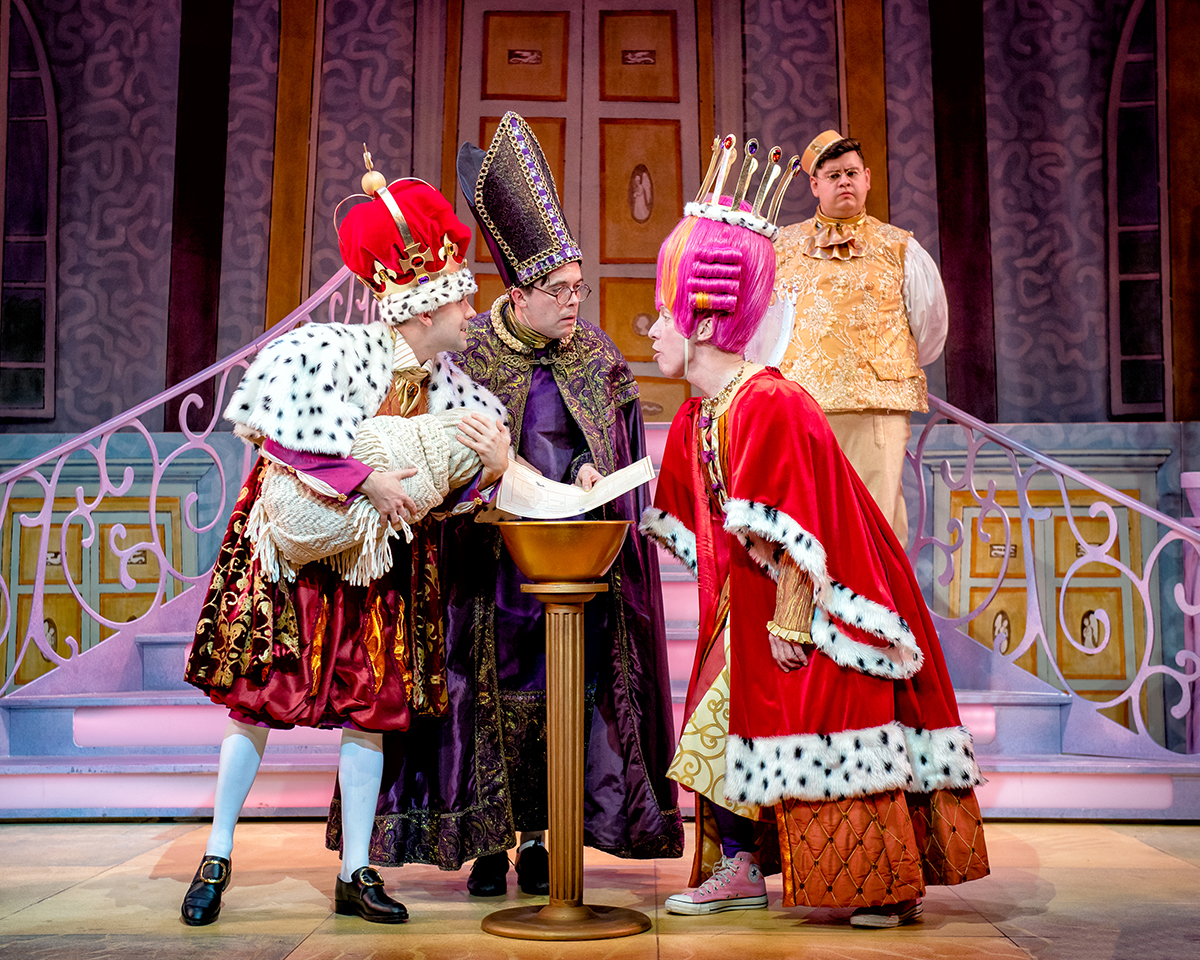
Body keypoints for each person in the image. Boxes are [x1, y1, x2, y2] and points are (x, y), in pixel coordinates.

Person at [639, 145, 989, 927]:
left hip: (825, 606)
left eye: (665, 313)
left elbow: (803, 523)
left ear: (700, 318)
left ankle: (882, 883)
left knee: (836, 734)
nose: (654, 330)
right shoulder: (710, 409)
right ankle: (738, 866)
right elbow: (717, 520)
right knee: (713, 728)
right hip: (754, 603)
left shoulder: (767, 402)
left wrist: (793, 616)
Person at [349, 111, 683, 895]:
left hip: (571, 564)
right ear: (521, 292)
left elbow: (617, 443)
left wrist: (599, 479)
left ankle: (543, 837)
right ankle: (490, 842)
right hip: (484, 569)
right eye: (560, 292)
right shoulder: (469, 351)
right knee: (486, 704)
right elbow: (428, 449)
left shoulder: (595, 353)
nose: (575, 303)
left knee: (561, 700)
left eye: (579, 290)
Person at [181, 170, 511, 926]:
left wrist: (488, 472)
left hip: (381, 568)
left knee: (373, 707)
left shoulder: (451, 387)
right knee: (257, 701)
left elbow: (447, 485)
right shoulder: (328, 351)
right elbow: (285, 437)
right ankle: (218, 852)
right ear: (424, 307)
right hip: (299, 558)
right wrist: (365, 480)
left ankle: (356, 870)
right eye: (461, 300)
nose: (470, 312)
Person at [769, 130, 948, 546]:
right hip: (801, 411)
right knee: (805, 530)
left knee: (875, 528)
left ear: (867, 178)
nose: (844, 181)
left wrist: (883, 364)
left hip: (876, 412)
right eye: (832, 175)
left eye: (851, 172)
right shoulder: (783, 247)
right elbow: (763, 328)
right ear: (815, 185)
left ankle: (878, 612)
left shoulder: (899, 247)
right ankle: (809, 613)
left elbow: (930, 325)